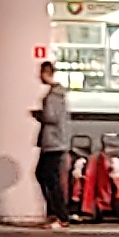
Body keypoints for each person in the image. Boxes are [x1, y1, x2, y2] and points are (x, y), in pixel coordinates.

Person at [32, 53, 72, 221]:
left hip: (53, 142)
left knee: (47, 177)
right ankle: (55, 213)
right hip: (54, 142)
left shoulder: (53, 96)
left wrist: (38, 115)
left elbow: (51, 117)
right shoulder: (57, 94)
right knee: (46, 176)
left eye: (41, 73)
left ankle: (59, 214)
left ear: (46, 73)